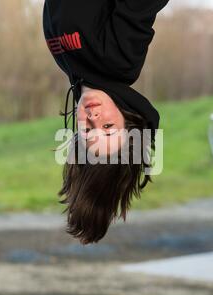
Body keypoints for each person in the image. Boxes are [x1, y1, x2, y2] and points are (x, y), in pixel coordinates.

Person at [43, 0, 169, 244]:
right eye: (109, 129)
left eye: (88, 132)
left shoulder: (68, 64)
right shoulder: (120, 61)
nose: (93, 119)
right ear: (127, 117)